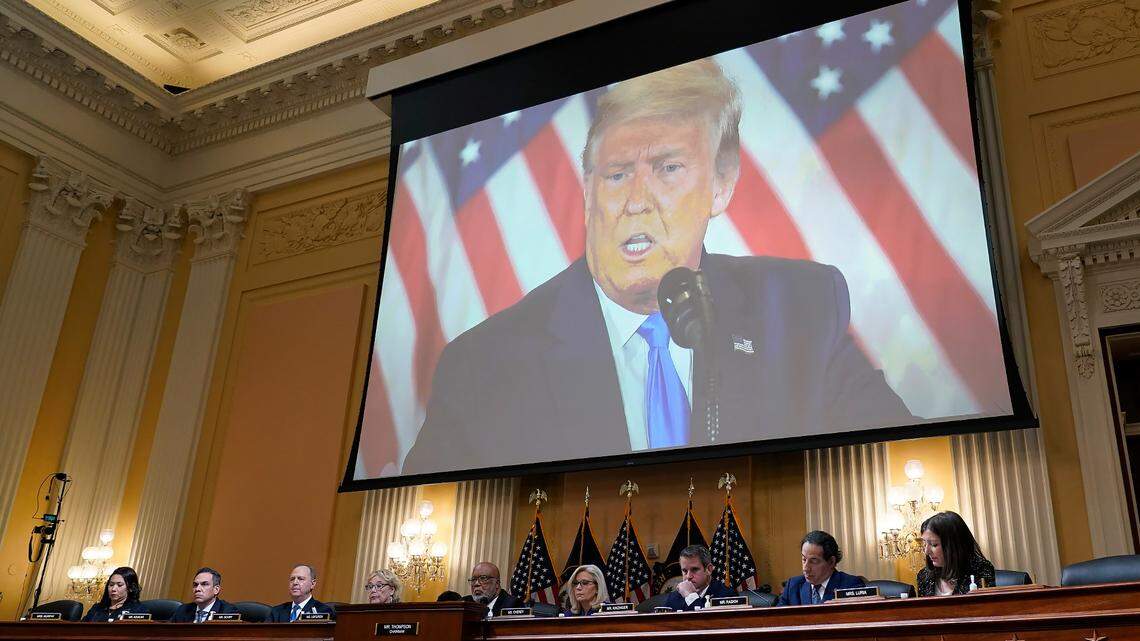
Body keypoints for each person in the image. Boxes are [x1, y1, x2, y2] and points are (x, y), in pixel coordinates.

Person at [402, 57, 910, 475]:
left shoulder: (800, 308)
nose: (636, 202)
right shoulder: (485, 366)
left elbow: (892, 452)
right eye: (618, 174)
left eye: (668, 169)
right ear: (588, 192)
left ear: (721, 183)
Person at [917, 511, 995, 596]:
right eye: (925, 544)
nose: (926, 551)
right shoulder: (923, 576)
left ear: (953, 544)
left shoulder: (981, 570)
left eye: (934, 544)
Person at [776, 531, 864, 605]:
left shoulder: (851, 586)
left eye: (813, 561)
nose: (806, 568)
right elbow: (777, 620)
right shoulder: (793, 586)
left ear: (831, 562)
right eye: (804, 559)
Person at [662, 545, 735, 611]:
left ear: (709, 569)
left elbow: (708, 623)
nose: (688, 576)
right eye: (684, 571)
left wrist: (690, 596)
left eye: (694, 569)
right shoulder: (674, 598)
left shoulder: (726, 595)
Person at [266, 564, 337, 622]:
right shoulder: (277, 611)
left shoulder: (322, 611)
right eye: (292, 579)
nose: (295, 582)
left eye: (300, 579)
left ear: (312, 584)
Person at [170, 567, 239, 622]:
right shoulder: (183, 610)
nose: (197, 589)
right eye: (195, 585)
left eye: (204, 584)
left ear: (216, 590)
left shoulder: (227, 612)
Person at [81, 566, 149, 622]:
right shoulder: (97, 608)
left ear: (130, 588)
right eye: (111, 584)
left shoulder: (139, 610)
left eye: (119, 585)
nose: (113, 589)